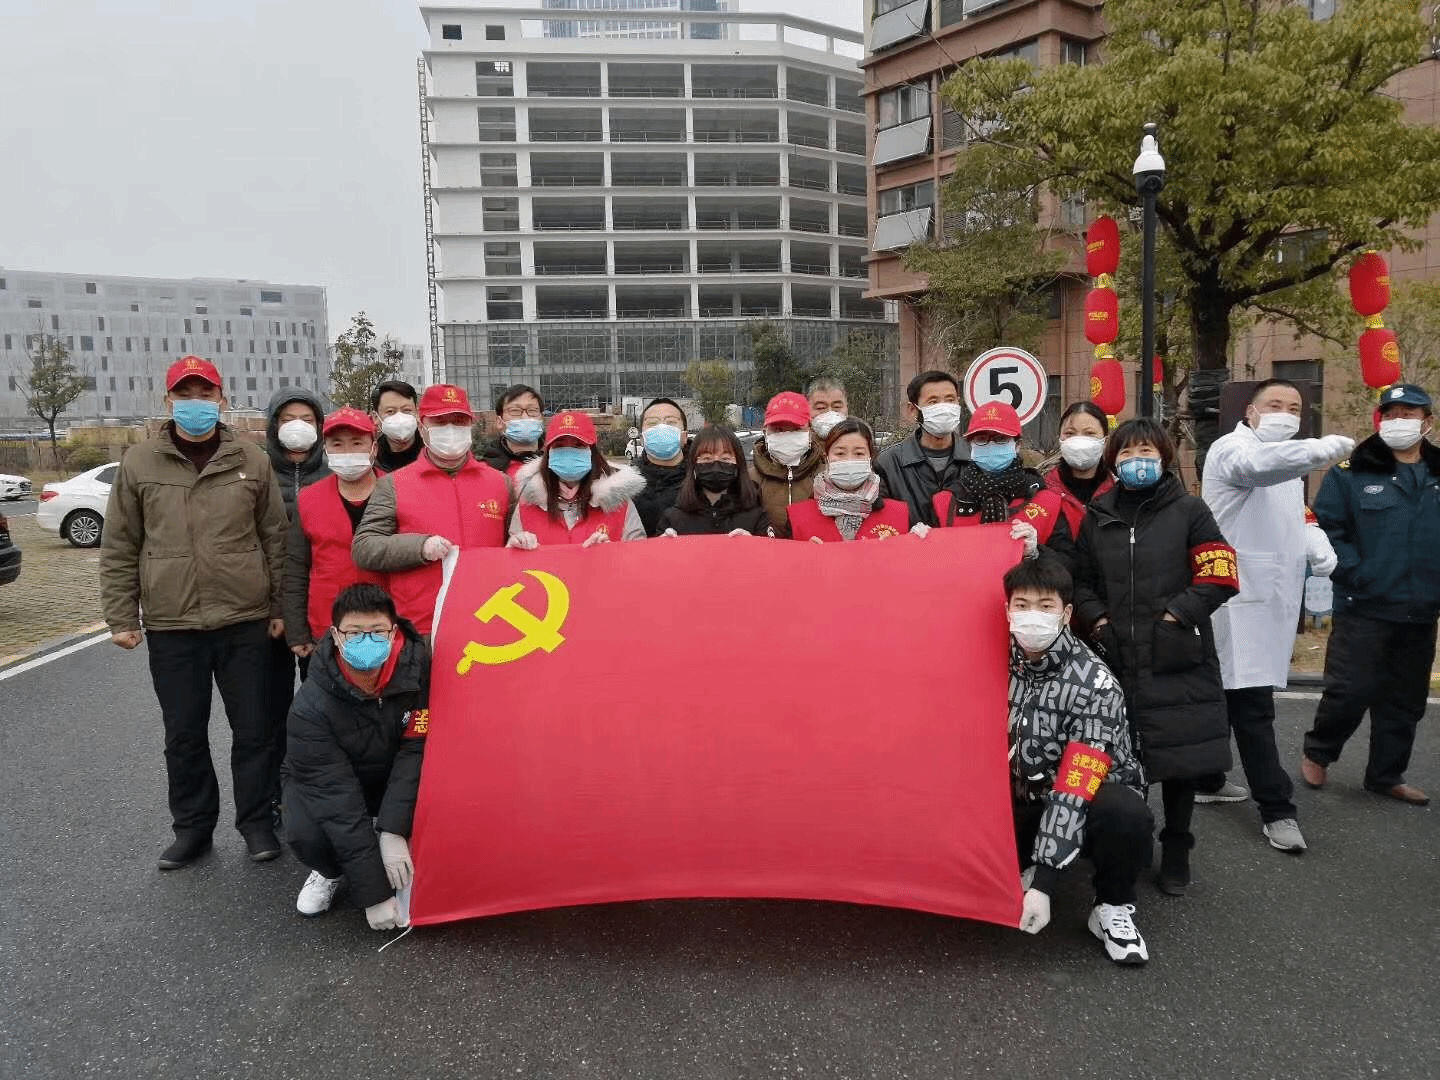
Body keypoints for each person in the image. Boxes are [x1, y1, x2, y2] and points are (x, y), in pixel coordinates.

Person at [100, 355, 289, 870]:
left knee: (254, 731)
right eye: (185, 395)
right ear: (168, 401)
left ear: (221, 399)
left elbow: (275, 537)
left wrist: (278, 607)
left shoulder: (251, 459)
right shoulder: (140, 462)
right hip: (173, 623)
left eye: (205, 395)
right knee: (183, 734)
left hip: (245, 619)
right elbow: (120, 544)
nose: (196, 404)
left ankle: (256, 823)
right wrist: (121, 616)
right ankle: (192, 830)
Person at [1071, 418, 1238, 897]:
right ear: (1113, 462)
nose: (1136, 461)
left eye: (1145, 452)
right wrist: (1097, 620)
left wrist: (1176, 615)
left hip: (1174, 652)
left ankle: (1178, 845)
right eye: (1126, 454)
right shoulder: (1099, 514)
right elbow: (1080, 580)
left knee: (1180, 757)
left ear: (1163, 458)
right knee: (1126, 755)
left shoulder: (1190, 510)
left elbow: (1219, 574)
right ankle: (1134, 838)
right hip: (1116, 652)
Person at [1196, 379, 1354, 849]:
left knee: (1225, 695)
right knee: (1252, 706)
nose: (1285, 413)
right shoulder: (1233, 450)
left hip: (1269, 600)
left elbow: (1293, 508)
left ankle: (1206, 778)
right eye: (1274, 405)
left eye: (1294, 407)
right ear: (1250, 411)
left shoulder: (1285, 460)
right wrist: (1316, 450)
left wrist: (1313, 537)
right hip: (1236, 602)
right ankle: (1277, 809)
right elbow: (1256, 470)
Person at [1006, 555, 1152, 966]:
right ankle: (1017, 865)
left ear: (1066, 613)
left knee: (1125, 813)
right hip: (1021, 791)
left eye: (1045, 606)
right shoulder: (995, 661)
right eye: (1022, 605)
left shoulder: (1096, 684)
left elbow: (1076, 784)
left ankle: (1112, 906)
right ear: (1007, 609)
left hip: (1086, 797)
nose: (1032, 616)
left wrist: (1045, 885)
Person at [1302, 382, 1440, 807]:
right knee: (1350, 690)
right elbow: (1326, 528)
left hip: (1421, 607)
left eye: (1409, 415)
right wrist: (1355, 572)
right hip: (1364, 604)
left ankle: (1385, 775)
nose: (1399, 422)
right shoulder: (1351, 472)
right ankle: (1319, 752)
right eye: (1391, 415)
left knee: (1405, 700)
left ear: (1427, 422)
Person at [283, 584, 428, 931]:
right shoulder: (310, 707)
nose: (367, 640)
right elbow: (336, 797)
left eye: (377, 631)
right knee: (306, 830)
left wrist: (392, 829)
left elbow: (415, 747)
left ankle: (410, 853)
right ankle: (330, 871)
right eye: (354, 632)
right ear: (335, 636)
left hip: (392, 773)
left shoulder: (418, 669)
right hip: (334, 783)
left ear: (393, 632)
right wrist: (374, 894)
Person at [352, 384, 510, 635]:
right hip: (421, 626)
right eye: (440, 422)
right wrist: (419, 547)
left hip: (488, 621)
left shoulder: (500, 483)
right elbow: (364, 547)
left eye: (459, 421)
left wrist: (522, 540)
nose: (450, 429)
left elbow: (516, 543)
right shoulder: (394, 484)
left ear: (470, 424)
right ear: (422, 425)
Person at [263, 386, 331, 810]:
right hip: (264, 611)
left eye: (307, 419)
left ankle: (316, 793)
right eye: (288, 419)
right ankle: (274, 797)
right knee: (268, 713)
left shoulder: (336, 473)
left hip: (318, 612)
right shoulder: (255, 472)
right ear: (273, 426)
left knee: (318, 710)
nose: (297, 427)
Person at [282, 407, 390, 662]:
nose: (347, 451)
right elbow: (296, 568)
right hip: (327, 626)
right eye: (337, 444)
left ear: (374, 448)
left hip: (385, 624)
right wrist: (297, 631)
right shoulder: (308, 499)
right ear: (326, 449)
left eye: (357, 443)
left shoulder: (398, 491)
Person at [508, 410, 647, 547]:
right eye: (559, 446)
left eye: (578, 445)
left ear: (592, 452)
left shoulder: (619, 503)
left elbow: (638, 553)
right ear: (548, 453)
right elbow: (510, 556)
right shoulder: (528, 503)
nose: (568, 452)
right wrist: (516, 545)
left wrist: (609, 552)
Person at [787, 419, 915, 542]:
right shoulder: (799, 515)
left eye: (859, 453)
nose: (849, 460)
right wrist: (805, 551)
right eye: (840, 453)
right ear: (827, 458)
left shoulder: (898, 513)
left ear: (871, 457)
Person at [932, 401, 1050, 534]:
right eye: (981, 439)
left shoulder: (1044, 498)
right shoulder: (945, 501)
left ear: (1018, 445)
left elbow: (1061, 547)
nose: (991, 445)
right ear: (971, 445)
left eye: (1001, 439)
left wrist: (1036, 547)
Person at [874, 370, 969, 527]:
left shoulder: (977, 458)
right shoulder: (888, 464)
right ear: (913, 410)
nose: (944, 408)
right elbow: (881, 523)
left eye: (950, 400)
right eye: (933, 402)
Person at [657, 425, 773, 536]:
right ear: (693, 465)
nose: (716, 464)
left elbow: (769, 548)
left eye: (725, 458)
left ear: (739, 464)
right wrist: (664, 543)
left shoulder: (757, 517)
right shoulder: (672, 519)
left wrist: (754, 543)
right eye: (707, 458)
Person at [751, 391, 826, 537]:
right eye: (778, 429)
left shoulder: (827, 476)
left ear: (809, 430)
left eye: (795, 429)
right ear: (765, 431)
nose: (786, 435)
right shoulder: (749, 479)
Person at [1043, 401, 1114, 544]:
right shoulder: (1042, 490)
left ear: (1105, 441)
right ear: (1060, 439)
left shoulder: (1119, 491)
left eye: (1089, 433)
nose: (1079, 440)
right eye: (1070, 433)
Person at [631, 397, 691, 536]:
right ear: (642, 438)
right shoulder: (626, 486)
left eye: (671, 422)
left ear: (684, 436)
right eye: (652, 423)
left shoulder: (702, 478)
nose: (662, 427)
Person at [480, 383, 545, 479]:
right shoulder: (485, 471)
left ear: (541, 419)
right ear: (499, 422)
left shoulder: (552, 468)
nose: (525, 417)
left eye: (532, 410)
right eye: (515, 411)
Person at [371, 380, 423, 472]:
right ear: (376, 417)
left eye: (407, 410)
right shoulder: (371, 461)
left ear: (417, 413)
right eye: (390, 411)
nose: (400, 417)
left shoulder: (434, 454)